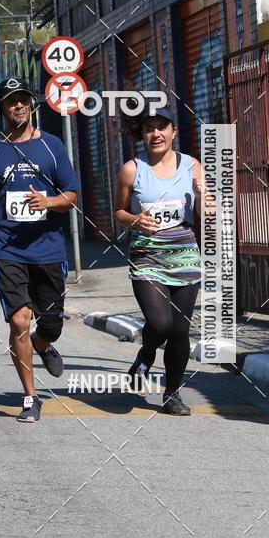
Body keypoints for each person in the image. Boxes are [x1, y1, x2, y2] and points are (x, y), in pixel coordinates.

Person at [0, 76, 79, 423]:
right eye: (10, 101)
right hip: (7, 247)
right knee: (19, 319)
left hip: (47, 248)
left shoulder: (51, 146)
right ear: (0, 108)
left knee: (51, 323)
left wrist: (49, 201)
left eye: (23, 99)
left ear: (31, 104)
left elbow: (72, 196)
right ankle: (31, 396)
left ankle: (43, 344)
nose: (18, 105)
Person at [114, 106, 207, 416]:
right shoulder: (132, 169)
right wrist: (135, 220)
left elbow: (208, 211)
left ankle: (172, 395)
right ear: (142, 134)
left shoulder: (192, 165)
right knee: (160, 323)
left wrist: (205, 198)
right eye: (149, 128)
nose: (156, 133)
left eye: (161, 127)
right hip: (147, 257)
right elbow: (119, 212)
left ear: (173, 131)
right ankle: (147, 351)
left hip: (184, 256)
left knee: (180, 331)